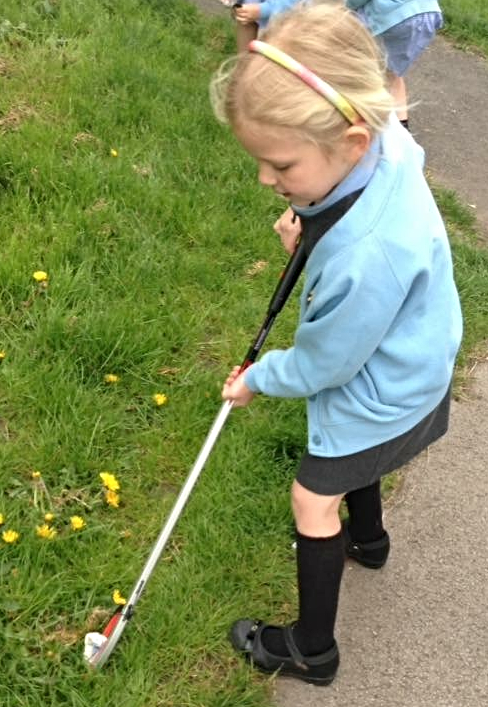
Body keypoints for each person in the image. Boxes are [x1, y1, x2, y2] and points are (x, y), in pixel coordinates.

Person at [210, 2, 462, 686]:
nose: (267, 179)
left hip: (384, 389)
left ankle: (311, 650)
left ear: (349, 139)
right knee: (359, 460)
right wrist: (311, 222)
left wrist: (258, 377)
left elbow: (325, 362)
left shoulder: (364, 257)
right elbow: (351, 205)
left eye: (281, 164)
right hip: (419, 364)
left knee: (311, 500)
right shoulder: (388, 143)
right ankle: (370, 541)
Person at [346, 0, 444, 130]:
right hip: (427, 14)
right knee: (392, 74)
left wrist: (345, 5)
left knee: (357, 63)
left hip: (393, 17)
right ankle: (402, 130)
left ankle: (356, 118)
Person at [224, 0, 304, 52]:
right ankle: (243, 67)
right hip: (257, 9)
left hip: (291, 18)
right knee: (244, 18)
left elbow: (295, 4)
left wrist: (263, 10)